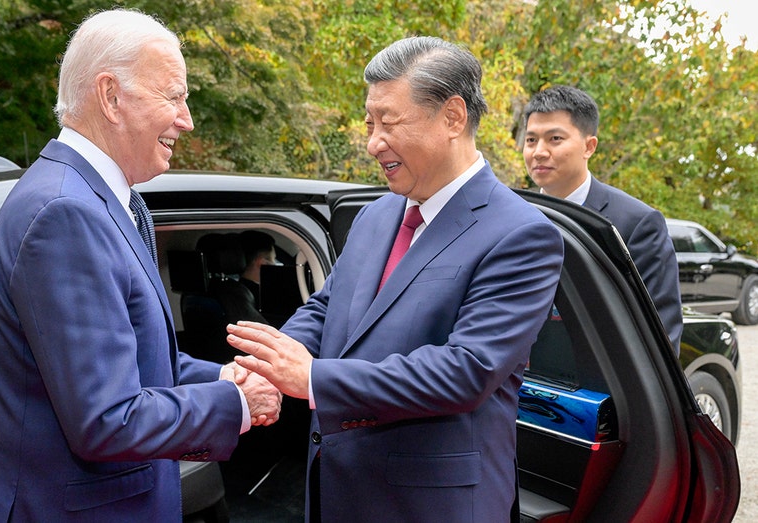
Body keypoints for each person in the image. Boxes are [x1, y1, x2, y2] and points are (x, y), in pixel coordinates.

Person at [226, 37, 565, 522]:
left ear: (452, 117)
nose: (372, 143)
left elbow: (466, 370)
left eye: (389, 123)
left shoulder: (520, 234)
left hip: (430, 503)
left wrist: (314, 378)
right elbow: (329, 308)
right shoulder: (375, 215)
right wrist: (269, 360)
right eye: (369, 124)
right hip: (338, 488)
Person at [0, 9, 281, 522]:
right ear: (110, 96)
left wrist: (225, 376)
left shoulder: (111, 201)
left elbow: (140, 363)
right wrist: (238, 405)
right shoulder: (66, 214)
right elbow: (106, 419)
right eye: (173, 96)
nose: (187, 119)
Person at [522, 85, 683, 354]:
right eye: (531, 140)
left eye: (555, 139)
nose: (539, 151)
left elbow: (660, 337)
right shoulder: (514, 212)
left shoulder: (637, 224)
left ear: (589, 146)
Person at [238, 230, 277, 310]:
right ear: (263, 263)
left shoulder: (236, 290)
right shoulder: (264, 297)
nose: (275, 264)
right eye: (274, 259)